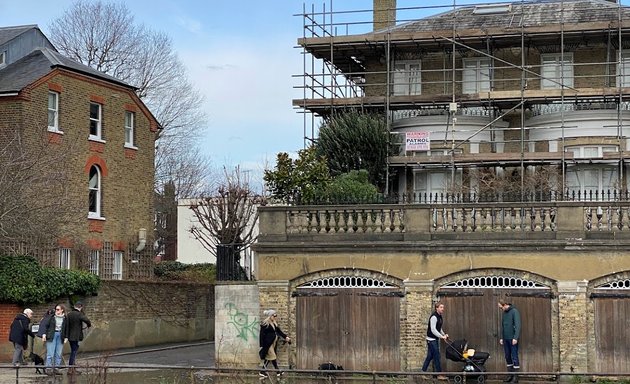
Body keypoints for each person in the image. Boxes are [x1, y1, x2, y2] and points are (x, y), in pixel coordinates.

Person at [259, 309, 291, 379]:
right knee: (272, 355)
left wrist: (286, 337)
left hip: (273, 343)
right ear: (270, 316)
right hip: (267, 344)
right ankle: (276, 371)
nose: (275, 317)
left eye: (276, 315)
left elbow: (279, 332)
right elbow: (261, 335)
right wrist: (261, 345)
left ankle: (263, 371)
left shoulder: (274, 323)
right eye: (274, 315)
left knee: (269, 357)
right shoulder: (265, 324)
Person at [421, 302, 449, 381]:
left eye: (443, 307)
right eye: (441, 307)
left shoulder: (440, 316)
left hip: (434, 339)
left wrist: (444, 334)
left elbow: (439, 328)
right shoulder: (434, 317)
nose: (442, 309)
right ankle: (439, 374)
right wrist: (441, 336)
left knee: (430, 356)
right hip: (431, 339)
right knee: (437, 356)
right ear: (436, 308)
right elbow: (433, 329)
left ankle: (423, 372)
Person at [498, 299, 522, 383]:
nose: (501, 309)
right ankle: (510, 375)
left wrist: (515, 337)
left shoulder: (514, 311)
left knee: (514, 356)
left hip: (512, 339)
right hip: (505, 339)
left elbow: (518, 325)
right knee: (507, 356)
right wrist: (501, 337)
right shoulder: (504, 313)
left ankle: (515, 377)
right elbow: (503, 326)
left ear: (505, 305)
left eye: (501, 307)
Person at [66, 301, 92, 374]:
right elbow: (87, 320)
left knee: (73, 350)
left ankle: (72, 368)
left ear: (74, 306)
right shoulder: (79, 314)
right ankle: (71, 369)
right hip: (76, 336)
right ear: (80, 307)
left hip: (70, 336)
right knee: (74, 352)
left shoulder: (69, 314)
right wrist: (89, 325)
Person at [42, 303, 68, 376]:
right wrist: (44, 334)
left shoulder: (65, 318)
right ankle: (48, 368)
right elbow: (45, 325)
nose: (56, 311)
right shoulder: (51, 317)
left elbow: (66, 328)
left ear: (62, 310)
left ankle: (56, 368)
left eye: (58, 309)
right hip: (52, 335)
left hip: (60, 335)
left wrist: (66, 337)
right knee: (50, 352)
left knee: (58, 353)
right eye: (56, 309)